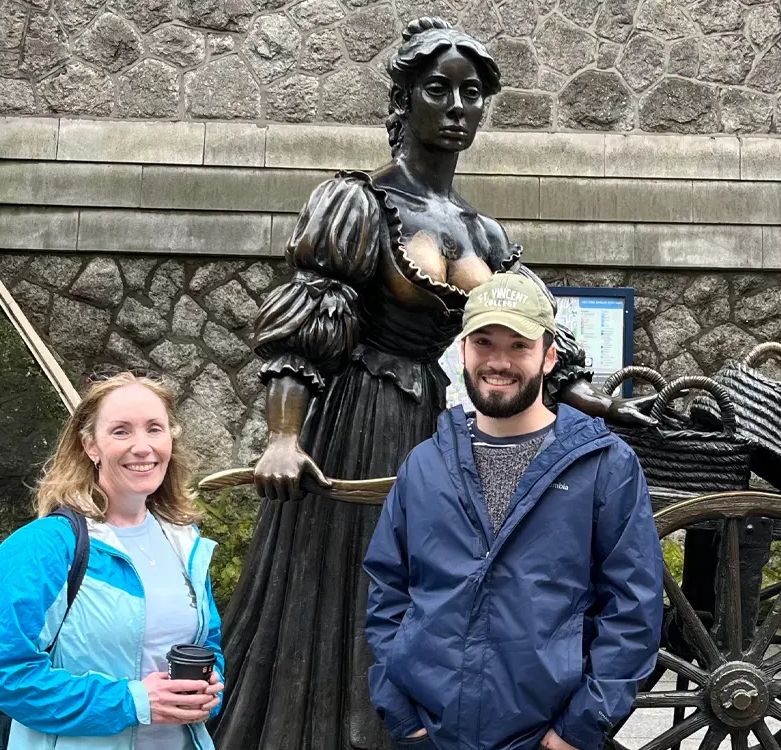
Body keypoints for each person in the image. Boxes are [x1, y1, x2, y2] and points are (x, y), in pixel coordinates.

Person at [210, 17, 653, 750]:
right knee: (347, 585)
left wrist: (603, 405)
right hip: (353, 418)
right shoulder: (359, 203)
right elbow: (308, 323)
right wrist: (283, 435)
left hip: (432, 428)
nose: (456, 107)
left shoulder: (484, 234)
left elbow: (528, 342)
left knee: (437, 587)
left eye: (472, 94)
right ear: (403, 99)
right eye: (437, 89)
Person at [363, 273, 665, 750]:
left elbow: (634, 610)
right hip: (433, 736)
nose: (498, 362)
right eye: (483, 342)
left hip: (547, 737)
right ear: (462, 351)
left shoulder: (604, 466)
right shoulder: (424, 464)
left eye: (519, 346)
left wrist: (577, 730)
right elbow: (387, 590)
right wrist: (403, 715)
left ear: (548, 357)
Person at [0, 371, 226, 749]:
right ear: (90, 445)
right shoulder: (42, 547)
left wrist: (208, 689)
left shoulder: (185, 542)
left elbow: (207, 642)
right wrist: (133, 701)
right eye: (121, 431)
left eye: (154, 429)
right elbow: (7, 674)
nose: (142, 447)